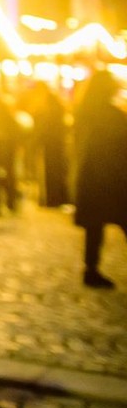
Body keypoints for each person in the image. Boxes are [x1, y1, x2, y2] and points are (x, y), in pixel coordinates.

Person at [74, 70, 127, 289]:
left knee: (94, 227)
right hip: (113, 177)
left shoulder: (84, 113)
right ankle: (91, 270)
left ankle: (91, 269)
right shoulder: (112, 116)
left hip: (91, 177)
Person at [21, 81, 70, 208]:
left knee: (50, 172)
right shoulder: (52, 104)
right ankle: (53, 198)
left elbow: (43, 127)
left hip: (50, 144)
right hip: (53, 143)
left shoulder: (48, 105)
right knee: (52, 172)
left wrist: (33, 141)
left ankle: (51, 199)